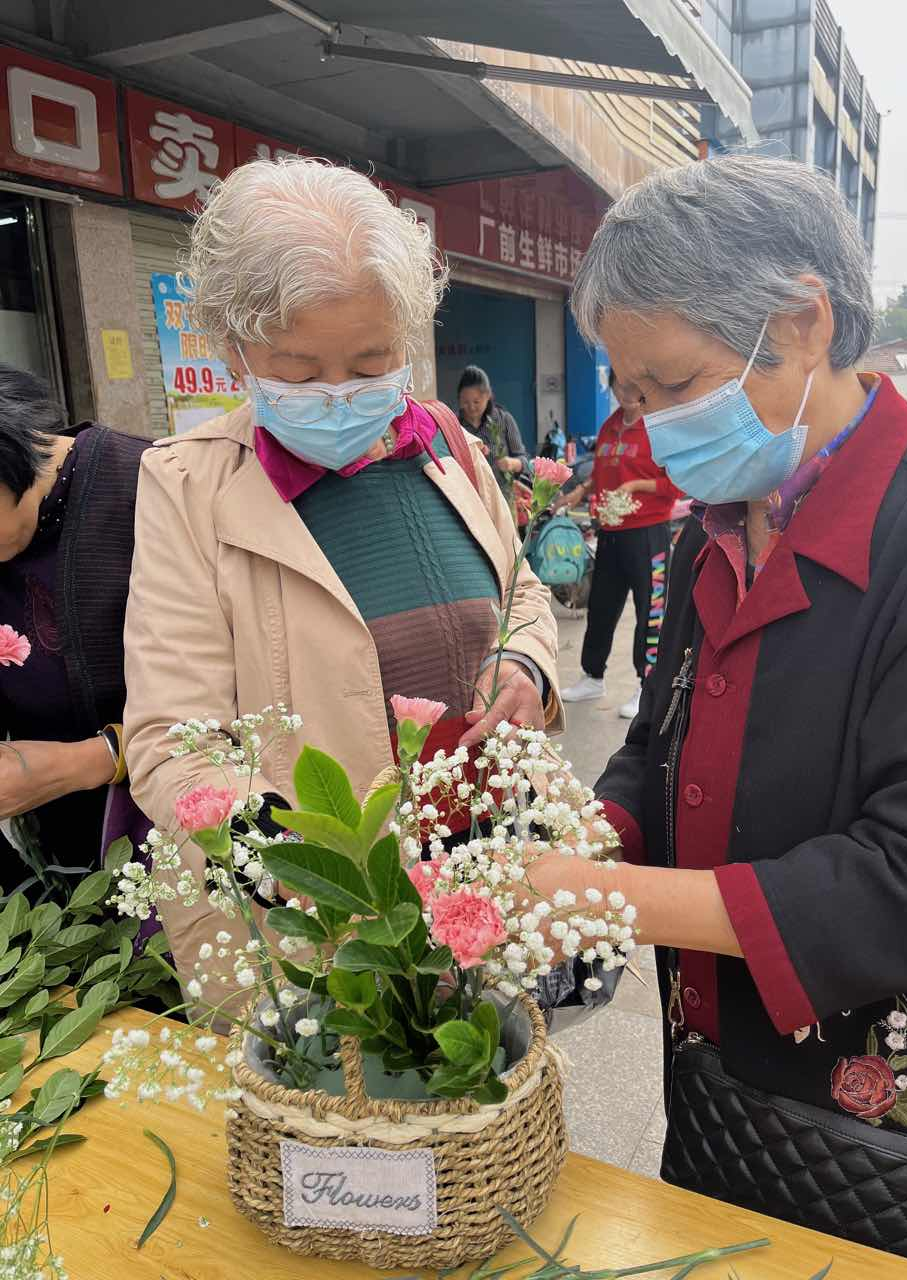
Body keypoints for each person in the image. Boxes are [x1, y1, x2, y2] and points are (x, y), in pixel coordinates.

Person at [530, 155, 907, 1269]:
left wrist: (609, 896)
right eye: (634, 393)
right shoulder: (712, 528)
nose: (656, 425)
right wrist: (590, 841)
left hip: (893, 1135)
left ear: (804, 324)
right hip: (717, 1080)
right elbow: (655, 741)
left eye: (677, 383)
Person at [123, 158, 561, 988]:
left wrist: (524, 663)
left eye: (369, 363)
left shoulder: (447, 446)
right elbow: (171, 739)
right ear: (233, 350)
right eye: (297, 369)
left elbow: (521, 591)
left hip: (482, 867)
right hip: (324, 920)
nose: (338, 394)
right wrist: (307, 875)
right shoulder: (187, 486)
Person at [0, 364, 149, 901]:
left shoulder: (150, 485)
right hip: (60, 878)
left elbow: (253, 699)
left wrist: (88, 761)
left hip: (194, 847)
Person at [561, 372, 682, 719]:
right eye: (620, 385)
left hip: (648, 532)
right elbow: (601, 472)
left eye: (633, 386)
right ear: (612, 386)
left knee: (650, 612)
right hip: (612, 531)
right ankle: (592, 676)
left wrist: (635, 486)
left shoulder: (658, 428)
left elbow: (675, 483)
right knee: (601, 606)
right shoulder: (611, 426)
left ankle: (648, 686)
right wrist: (581, 491)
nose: (626, 393)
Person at [457, 365, 531, 509]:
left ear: (488, 395)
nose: (471, 407)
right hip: (470, 502)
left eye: (476, 401)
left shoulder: (504, 420)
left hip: (503, 499)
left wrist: (512, 463)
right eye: (465, 402)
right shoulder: (455, 425)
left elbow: (525, 462)